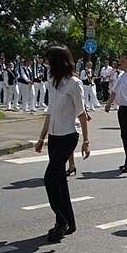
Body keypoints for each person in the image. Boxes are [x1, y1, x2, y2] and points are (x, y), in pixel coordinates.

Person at [35, 46, 90, 242]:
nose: (47, 65)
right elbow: (50, 111)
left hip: (69, 135)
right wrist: (42, 138)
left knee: (50, 178)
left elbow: (82, 113)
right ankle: (69, 221)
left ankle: (61, 220)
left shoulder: (74, 83)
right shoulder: (52, 82)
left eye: (50, 61)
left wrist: (86, 141)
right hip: (54, 136)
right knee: (59, 180)